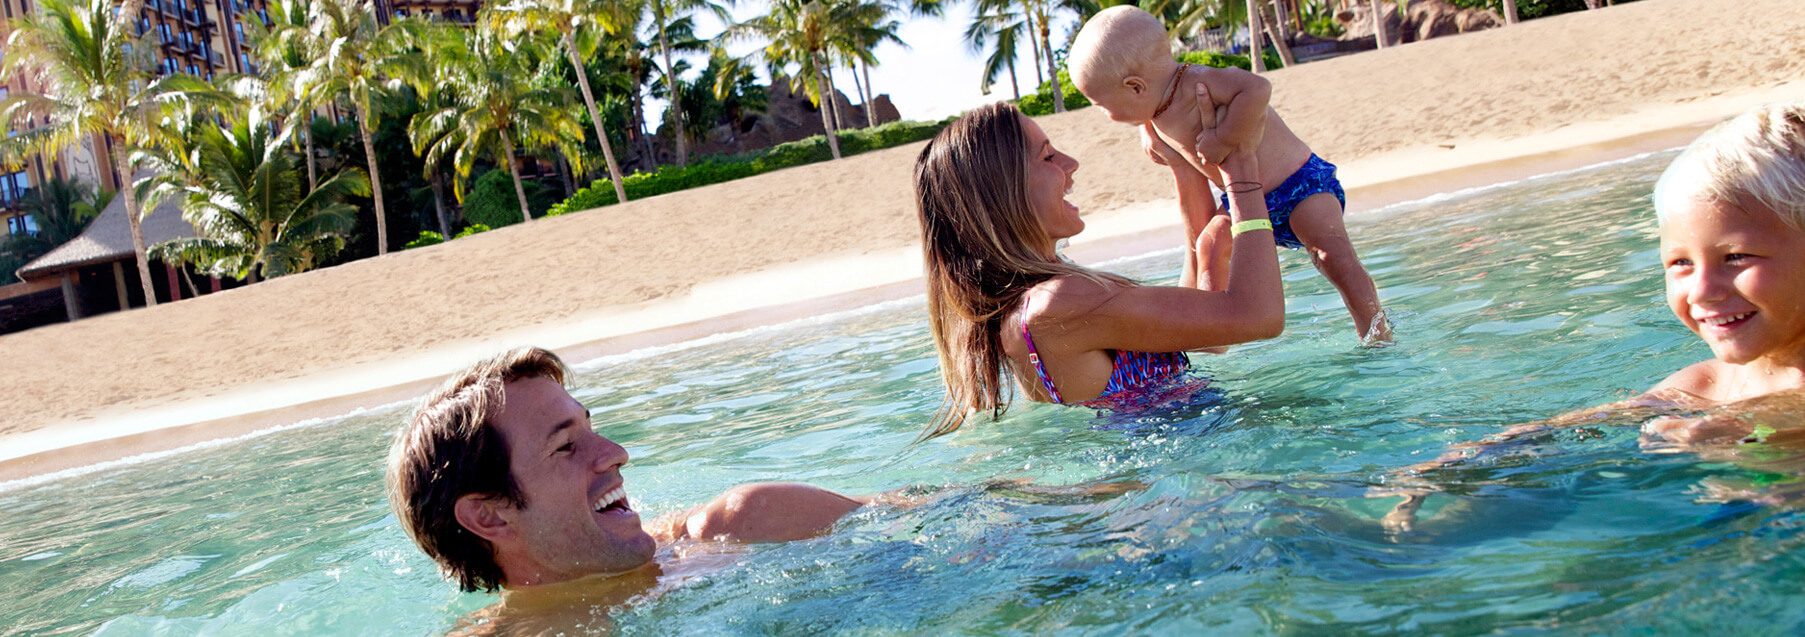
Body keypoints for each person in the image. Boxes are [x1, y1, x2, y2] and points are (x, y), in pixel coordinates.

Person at [1378, 104, 1805, 529]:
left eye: (1736, 257)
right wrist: (1477, 456)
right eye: (1680, 263)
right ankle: (1402, 548)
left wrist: (1773, 442)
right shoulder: (1702, 386)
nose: (1701, 290)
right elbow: (1576, 429)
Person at [386, 346, 876, 632]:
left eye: (590, 428)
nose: (615, 453)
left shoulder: (749, 526)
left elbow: (922, 520)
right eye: (565, 446)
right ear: (489, 516)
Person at [913, 99, 1286, 439]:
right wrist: (1242, 174)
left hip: (1186, 456)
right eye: (1048, 157)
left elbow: (1208, 334)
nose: (1070, 163)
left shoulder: (1042, 301)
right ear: (1005, 194)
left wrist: (1182, 171)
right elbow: (1259, 315)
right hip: (1199, 458)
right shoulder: (1063, 301)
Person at [1067, 5, 1390, 343]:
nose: (1103, 113)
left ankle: (1377, 333)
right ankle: (1215, 334)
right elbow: (1156, 114)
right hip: (1247, 203)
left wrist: (1223, 137)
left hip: (1300, 184)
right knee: (1209, 244)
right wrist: (1145, 125)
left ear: (1136, 87)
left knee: (1332, 257)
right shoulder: (1157, 109)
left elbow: (1257, 88)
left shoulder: (1197, 82)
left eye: (1100, 105)